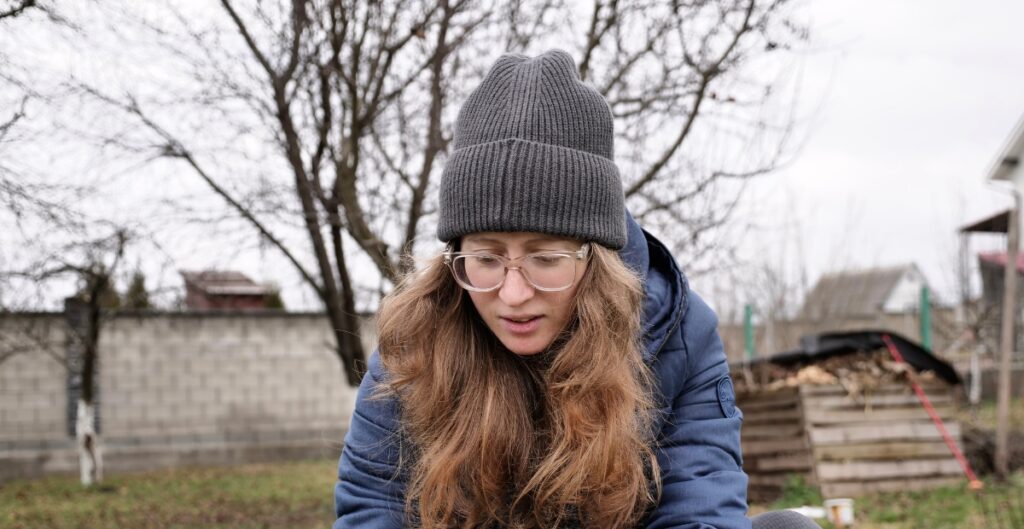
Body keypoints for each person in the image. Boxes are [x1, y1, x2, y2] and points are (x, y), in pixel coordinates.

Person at [333, 49, 820, 529]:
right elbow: (371, 509)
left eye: (546, 259)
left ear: (597, 256)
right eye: (485, 259)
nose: (514, 293)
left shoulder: (680, 333)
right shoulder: (417, 338)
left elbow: (700, 512)